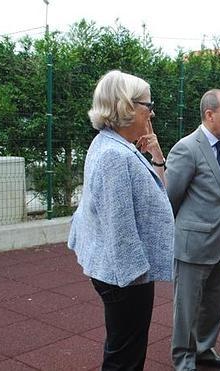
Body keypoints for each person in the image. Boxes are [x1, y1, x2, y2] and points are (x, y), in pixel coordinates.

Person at [67, 70, 174, 370]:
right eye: (147, 105)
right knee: (125, 354)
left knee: (124, 346)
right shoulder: (116, 155)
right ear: (126, 106)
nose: (151, 111)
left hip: (119, 271)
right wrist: (136, 277)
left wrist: (155, 154)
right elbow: (120, 226)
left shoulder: (113, 144)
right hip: (125, 276)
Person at [166, 89, 220, 371]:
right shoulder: (187, 147)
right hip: (193, 243)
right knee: (187, 307)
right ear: (210, 115)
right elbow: (170, 197)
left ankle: (204, 350)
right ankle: (183, 359)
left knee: (214, 301)